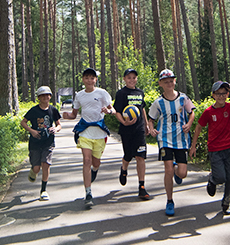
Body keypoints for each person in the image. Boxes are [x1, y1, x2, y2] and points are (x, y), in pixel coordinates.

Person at [189, 81, 230, 215]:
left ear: (227, 94)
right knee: (221, 177)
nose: (221, 96)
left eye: (224, 93)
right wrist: (193, 146)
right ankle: (213, 180)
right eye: (218, 94)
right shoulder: (209, 112)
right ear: (213, 95)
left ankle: (226, 201)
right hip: (215, 149)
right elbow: (198, 127)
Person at [147, 69, 195, 216]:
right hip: (165, 139)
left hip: (181, 139)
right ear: (161, 83)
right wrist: (151, 129)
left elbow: (191, 112)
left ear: (175, 81)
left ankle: (176, 170)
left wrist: (189, 124)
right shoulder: (158, 102)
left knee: (183, 173)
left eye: (171, 81)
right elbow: (151, 119)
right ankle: (169, 200)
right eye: (165, 81)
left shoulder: (183, 98)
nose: (169, 83)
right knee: (167, 169)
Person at [68, 67, 114, 208]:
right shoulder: (80, 95)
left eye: (92, 78)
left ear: (95, 80)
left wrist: (108, 110)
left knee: (96, 162)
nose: (89, 80)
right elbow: (74, 114)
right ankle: (88, 193)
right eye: (86, 77)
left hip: (99, 132)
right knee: (86, 160)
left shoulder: (102, 93)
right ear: (83, 79)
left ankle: (95, 170)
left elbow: (113, 109)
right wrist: (66, 116)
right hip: (85, 131)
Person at [113, 67, 151, 200]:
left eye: (134, 77)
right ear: (124, 79)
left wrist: (146, 124)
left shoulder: (140, 92)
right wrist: (123, 121)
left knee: (140, 157)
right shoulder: (121, 93)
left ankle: (141, 187)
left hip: (139, 129)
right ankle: (124, 169)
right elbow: (117, 111)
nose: (131, 80)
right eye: (129, 77)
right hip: (126, 129)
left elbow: (142, 109)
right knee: (128, 155)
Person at [20, 85, 62, 201]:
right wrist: (32, 131)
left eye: (47, 95)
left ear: (50, 96)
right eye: (42, 95)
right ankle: (33, 171)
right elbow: (23, 122)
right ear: (38, 97)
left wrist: (56, 129)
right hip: (35, 142)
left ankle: (43, 190)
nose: (45, 97)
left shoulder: (53, 110)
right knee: (37, 168)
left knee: (46, 164)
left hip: (48, 142)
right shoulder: (34, 110)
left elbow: (59, 124)